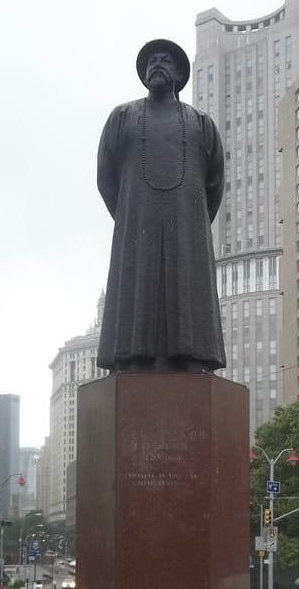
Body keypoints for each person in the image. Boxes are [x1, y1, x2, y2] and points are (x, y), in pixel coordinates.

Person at [97, 38, 226, 374]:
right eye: (151, 60)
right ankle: (134, 357)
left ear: (180, 72)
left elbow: (215, 182)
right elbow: (106, 177)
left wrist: (191, 219)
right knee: (136, 290)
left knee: (187, 287)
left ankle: (190, 356)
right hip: (136, 224)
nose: (157, 65)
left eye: (165, 60)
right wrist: (130, 212)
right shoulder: (122, 117)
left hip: (187, 227)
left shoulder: (201, 124)